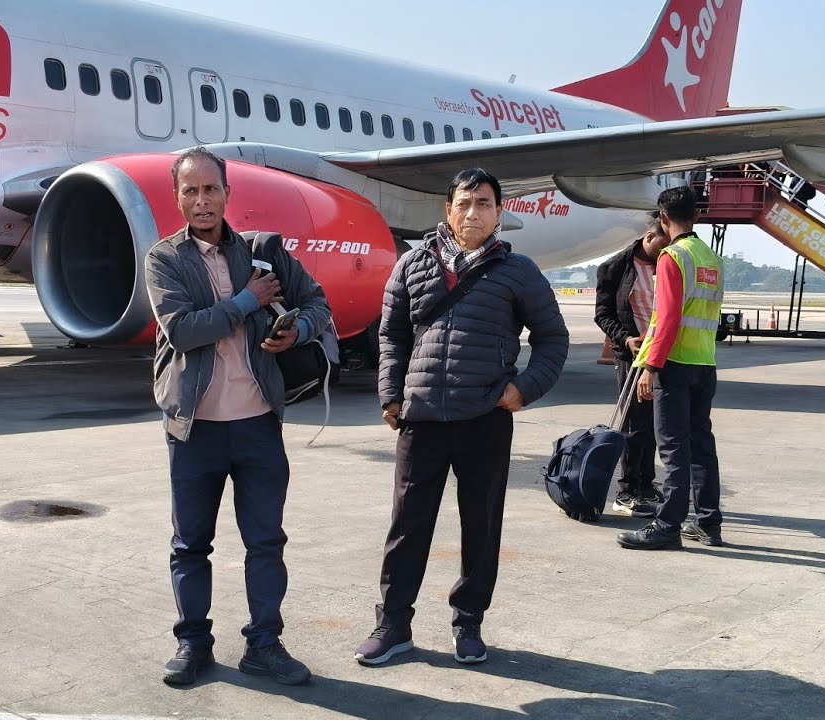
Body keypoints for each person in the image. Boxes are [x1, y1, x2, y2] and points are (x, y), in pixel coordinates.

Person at [354, 168, 569, 667]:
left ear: (499, 214)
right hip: (422, 418)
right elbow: (392, 338)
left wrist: (522, 389)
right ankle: (393, 625)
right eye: (465, 203)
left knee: (481, 524)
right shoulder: (411, 266)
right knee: (407, 526)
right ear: (447, 210)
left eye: (485, 204)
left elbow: (552, 339)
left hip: (484, 418)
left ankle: (468, 622)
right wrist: (391, 395)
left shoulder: (519, 273)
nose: (474, 212)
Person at [144, 147, 331, 687]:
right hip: (193, 428)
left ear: (228, 193)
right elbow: (183, 330)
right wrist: (249, 302)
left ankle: (265, 645)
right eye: (190, 191)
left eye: (211, 189)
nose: (201, 200)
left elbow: (319, 303)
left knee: (266, 542)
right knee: (190, 545)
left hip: (257, 425)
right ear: (177, 197)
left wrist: (299, 331)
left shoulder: (264, 252)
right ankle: (192, 643)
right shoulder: (164, 260)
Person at [618, 187, 725, 551]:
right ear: (696, 216)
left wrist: (650, 366)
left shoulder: (672, 258)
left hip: (674, 365)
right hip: (705, 364)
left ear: (663, 218)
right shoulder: (712, 258)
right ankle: (709, 523)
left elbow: (667, 318)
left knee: (674, 449)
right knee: (701, 445)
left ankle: (667, 526)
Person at [594, 214, 672, 517]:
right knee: (632, 425)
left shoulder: (667, 265)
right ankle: (627, 490)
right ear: (649, 238)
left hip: (660, 355)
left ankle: (645, 481)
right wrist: (626, 339)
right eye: (661, 246)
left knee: (654, 424)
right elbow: (603, 314)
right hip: (632, 355)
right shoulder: (615, 268)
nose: (665, 253)